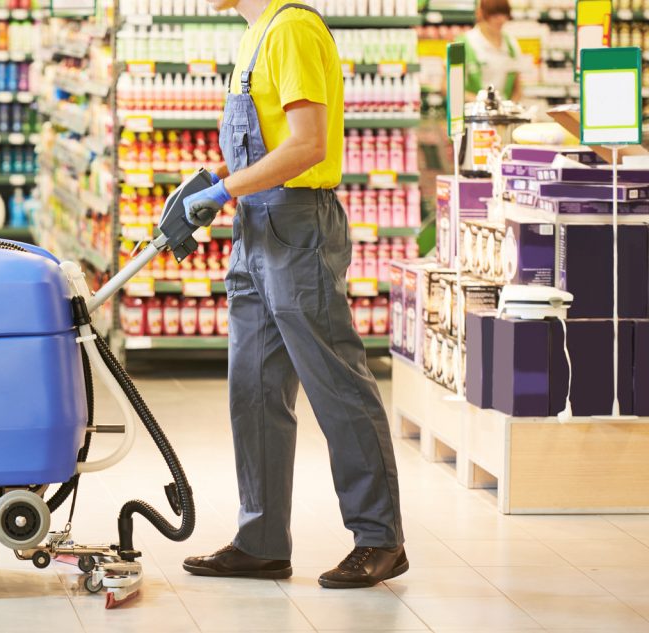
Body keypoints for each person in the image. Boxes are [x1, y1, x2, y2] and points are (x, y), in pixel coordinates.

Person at [178, 0, 407, 589]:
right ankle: (260, 541)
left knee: (336, 384)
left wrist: (225, 188)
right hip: (254, 226)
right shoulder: (255, 35)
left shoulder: (294, 29)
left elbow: (307, 144)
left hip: (298, 224)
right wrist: (214, 188)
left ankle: (379, 538)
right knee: (252, 387)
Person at [461, 0, 524, 101]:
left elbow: (518, 89)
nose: (501, 20)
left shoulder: (511, 44)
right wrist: (481, 101)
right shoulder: (464, 43)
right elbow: (448, 87)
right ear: (480, 13)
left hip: (503, 114)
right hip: (473, 113)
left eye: (504, 14)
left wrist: (508, 108)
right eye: (494, 15)